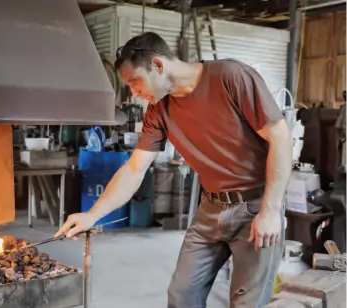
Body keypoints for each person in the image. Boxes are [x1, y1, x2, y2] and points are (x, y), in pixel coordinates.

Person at [55, 32, 292, 308]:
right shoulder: (158, 110)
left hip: (256, 206)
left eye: (135, 81)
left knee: (247, 303)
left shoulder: (231, 76)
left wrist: (271, 210)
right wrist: (92, 215)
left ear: (157, 65)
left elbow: (280, 137)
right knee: (181, 297)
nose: (134, 93)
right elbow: (134, 169)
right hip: (210, 208)